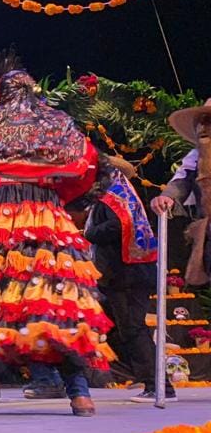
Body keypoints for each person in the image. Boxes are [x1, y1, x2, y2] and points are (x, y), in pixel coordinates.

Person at [0, 51, 114, 417]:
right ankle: (78, 393)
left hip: (0, 210)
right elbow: (90, 162)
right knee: (54, 297)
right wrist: (59, 190)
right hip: (44, 212)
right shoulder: (56, 121)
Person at [85, 156, 175, 403]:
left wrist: (89, 233)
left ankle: (158, 385)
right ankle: (147, 377)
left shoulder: (114, 197)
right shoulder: (123, 196)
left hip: (126, 275)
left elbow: (117, 226)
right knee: (123, 329)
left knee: (134, 329)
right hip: (127, 274)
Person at [152, 97, 211, 287]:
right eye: (201, 121)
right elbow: (181, 181)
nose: (203, 127)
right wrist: (167, 197)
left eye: (208, 121)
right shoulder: (196, 157)